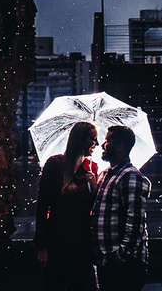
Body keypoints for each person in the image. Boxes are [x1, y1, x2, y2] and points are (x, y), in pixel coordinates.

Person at [35, 121, 100, 291]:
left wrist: (94, 188)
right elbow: (42, 206)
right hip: (57, 241)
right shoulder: (55, 165)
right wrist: (41, 246)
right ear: (80, 139)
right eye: (93, 139)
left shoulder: (92, 168)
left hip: (83, 244)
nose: (97, 144)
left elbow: (94, 208)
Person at [91, 124, 152, 291]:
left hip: (123, 263)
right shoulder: (105, 175)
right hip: (106, 260)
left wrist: (122, 255)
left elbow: (136, 220)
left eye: (107, 140)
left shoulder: (130, 176)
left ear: (119, 146)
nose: (102, 145)